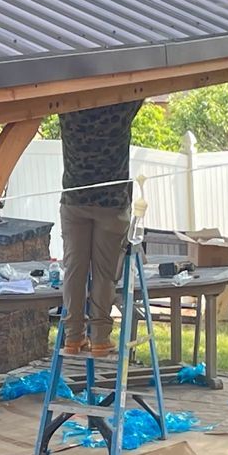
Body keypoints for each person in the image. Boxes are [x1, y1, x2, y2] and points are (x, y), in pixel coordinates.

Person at [57, 99, 143, 357]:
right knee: (105, 273)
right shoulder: (120, 106)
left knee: (74, 269)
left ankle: (73, 338)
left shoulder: (68, 108)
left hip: (75, 200)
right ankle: (101, 339)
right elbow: (144, 87)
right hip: (111, 203)